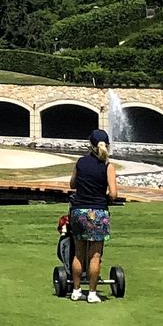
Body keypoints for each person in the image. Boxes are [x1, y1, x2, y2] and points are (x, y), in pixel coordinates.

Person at [67, 128, 121, 302]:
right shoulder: (108, 166)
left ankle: (76, 290)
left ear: (90, 144)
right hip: (98, 211)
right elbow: (113, 193)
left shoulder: (80, 162)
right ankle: (91, 293)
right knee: (95, 255)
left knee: (78, 252)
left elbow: (72, 184)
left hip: (79, 210)